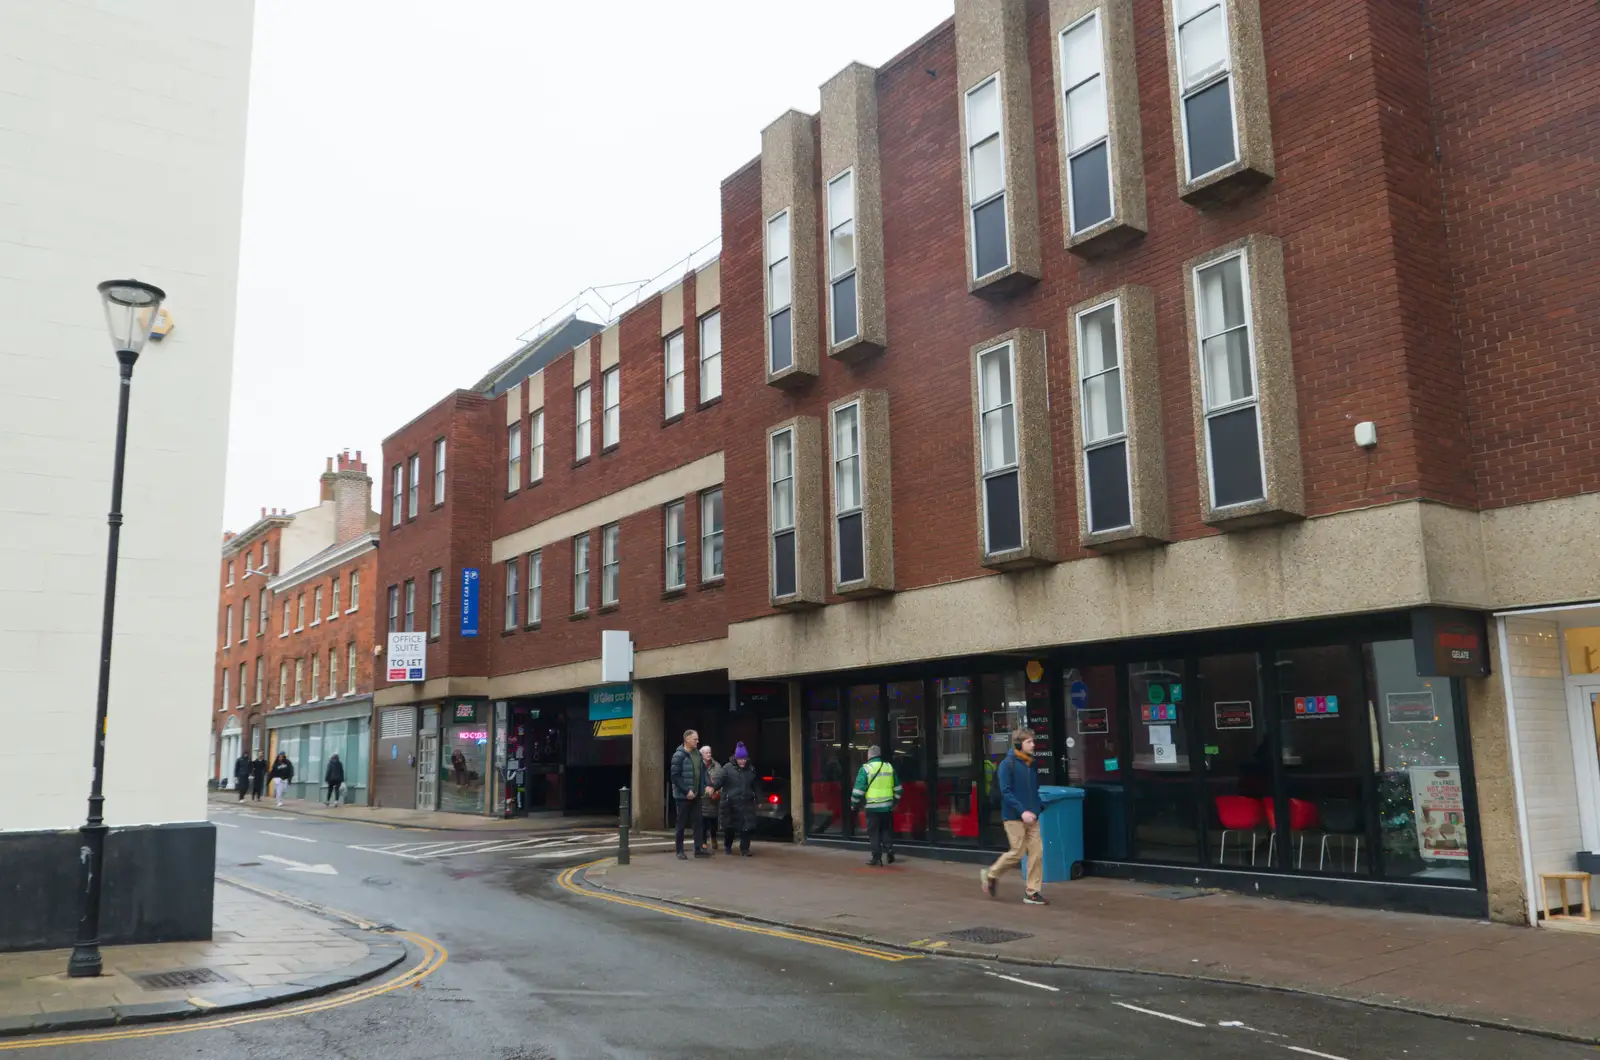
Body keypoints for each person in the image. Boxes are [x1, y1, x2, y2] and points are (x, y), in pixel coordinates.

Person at [980, 727, 1048, 905]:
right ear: (1018, 744)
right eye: (1029, 742)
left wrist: (1038, 807)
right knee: (1017, 852)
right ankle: (991, 874)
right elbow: (1006, 792)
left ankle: (1032, 892)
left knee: (1037, 852)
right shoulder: (1007, 764)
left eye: (1033, 741)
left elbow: (1034, 790)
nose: (1033, 745)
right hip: (1013, 816)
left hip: (1032, 816)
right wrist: (1022, 811)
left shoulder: (1031, 763)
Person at [851, 744, 901, 867]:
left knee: (873, 832)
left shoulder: (866, 769)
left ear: (869, 755)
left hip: (872, 807)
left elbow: (858, 790)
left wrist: (854, 804)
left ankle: (876, 858)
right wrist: (895, 802)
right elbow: (899, 789)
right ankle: (889, 849)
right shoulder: (889, 767)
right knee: (885, 829)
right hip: (887, 807)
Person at [670, 730, 708, 859]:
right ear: (687, 739)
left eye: (697, 739)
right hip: (683, 796)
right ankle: (679, 851)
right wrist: (687, 791)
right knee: (681, 823)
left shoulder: (697, 754)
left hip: (696, 794)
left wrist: (707, 785)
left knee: (698, 822)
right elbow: (675, 776)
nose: (697, 742)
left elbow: (702, 771)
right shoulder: (678, 755)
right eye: (694, 739)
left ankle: (698, 849)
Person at [718, 742, 759, 856]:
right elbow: (719, 780)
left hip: (746, 802)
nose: (743, 761)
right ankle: (727, 847)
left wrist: (758, 799)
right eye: (740, 759)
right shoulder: (727, 768)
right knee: (729, 828)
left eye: (744, 759)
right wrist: (711, 787)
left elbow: (755, 785)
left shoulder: (751, 770)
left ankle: (744, 850)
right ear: (736, 758)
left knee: (746, 827)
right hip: (731, 803)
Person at [699, 745, 722, 857]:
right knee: (702, 822)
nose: (708, 754)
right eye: (706, 753)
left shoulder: (717, 767)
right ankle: (703, 842)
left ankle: (713, 837)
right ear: (701, 754)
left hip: (713, 799)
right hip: (702, 798)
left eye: (709, 752)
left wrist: (718, 792)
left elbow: (721, 781)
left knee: (713, 821)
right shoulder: (698, 766)